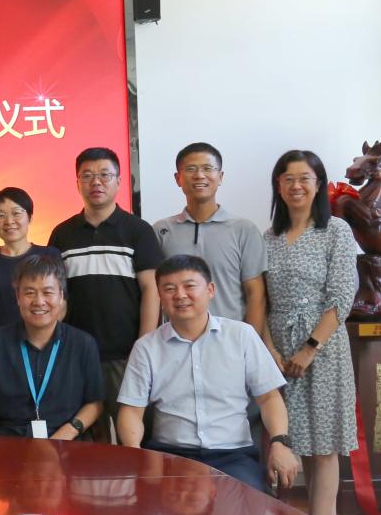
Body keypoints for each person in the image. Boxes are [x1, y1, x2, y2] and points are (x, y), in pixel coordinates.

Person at [116, 255, 300, 493]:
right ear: (160, 296)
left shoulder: (242, 336)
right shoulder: (146, 348)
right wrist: (135, 452)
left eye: (189, 286)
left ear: (210, 290)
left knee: (250, 501)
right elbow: (131, 410)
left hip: (232, 456)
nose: (180, 295)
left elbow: (269, 398)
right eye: (169, 289)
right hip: (171, 456)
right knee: (155, 506)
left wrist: (280, 443)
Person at [261, 150, 358, 515]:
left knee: (324, 444)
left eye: (304, 178)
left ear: (318, 185)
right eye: (288, 179)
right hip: (278, 350)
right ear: (278, 186)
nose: (296, 185)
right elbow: (261, 300)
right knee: (291, 439)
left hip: (324, 348)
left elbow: (341, 296)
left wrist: (310, 348)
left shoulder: (336, 231)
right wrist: (269, 349)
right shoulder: (268, 237)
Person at [49, 147, 161, 436]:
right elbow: (57, 294)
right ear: (77, 183)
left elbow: (151, 289)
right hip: (76, 355)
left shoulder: (138, 230)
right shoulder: (62, 234)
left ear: (119, 181)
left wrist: (144, 346)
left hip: (126, 354)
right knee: (87, 440)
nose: (96, 182)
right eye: (87, 176)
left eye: (104, 175)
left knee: (133, 438)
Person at [0, 254, 103, 440]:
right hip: (8, 442)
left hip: (66, 444)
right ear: (18, 297)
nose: (39, 301)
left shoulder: (83, 344)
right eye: (30, 293)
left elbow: (95, 403)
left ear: (61, 296)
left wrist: (67, 433)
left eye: (48, 292)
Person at [153, 143, 267, 331]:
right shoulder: (161, 230)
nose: (199, 175)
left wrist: (249, 341)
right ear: (178, 178)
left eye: (208, 168)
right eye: (191, 169)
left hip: (229, 340)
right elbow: (155, 293)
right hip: (175, 340)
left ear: (220, 176)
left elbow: (255, 294)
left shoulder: (244, 229)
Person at [0, 187, 61, 336]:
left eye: (16, 213)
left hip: (45, 341)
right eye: (1, 215)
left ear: (30, 218)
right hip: (2, 344)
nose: (9, 221)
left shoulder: (50, 255)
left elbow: (61, 302)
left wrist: (43, 339)